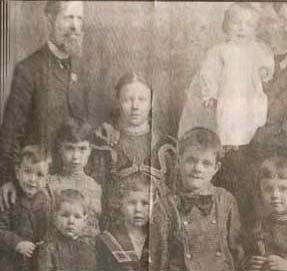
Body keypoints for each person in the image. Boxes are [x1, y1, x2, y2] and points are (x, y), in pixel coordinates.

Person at [218, 2, 287, 232]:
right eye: (283, 21)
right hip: (240, 177)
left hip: (286, 190)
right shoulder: (264, 62)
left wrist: (246, 135)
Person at [0, 1, 87, 210]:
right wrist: (5, 178)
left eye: (79, 18)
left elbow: (83, 125)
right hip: (36, 183)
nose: (75, 26)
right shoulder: (29, 69)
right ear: (50, 21)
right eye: (68, 18)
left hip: (72, 185)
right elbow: (11, 131)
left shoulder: (81, 69)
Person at [178, 3, 274, 149]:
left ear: (255, 29)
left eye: (249, 25)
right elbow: (208, 73)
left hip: (250, 94)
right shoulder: (220, 51)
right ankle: (229, 144)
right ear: (226, 26)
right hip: (229, 94)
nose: (242, 28)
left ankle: (246, 145)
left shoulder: (258, 49)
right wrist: (210, 93)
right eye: (236, 23)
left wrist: (266, 71)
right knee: (229, 120)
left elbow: (267, 62)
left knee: (252, 120)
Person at [149, 128, 244, 271]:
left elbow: (237, 251)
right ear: (178, 162)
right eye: (191, 160)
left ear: (216, 168)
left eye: (206, 163)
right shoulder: (164, 207)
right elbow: (160, 259)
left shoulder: (225, 201)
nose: (198, 168)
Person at [91, 72, 176, 224]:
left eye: (142, 99)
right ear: (117, 101)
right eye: (127, 100)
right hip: (115, 230)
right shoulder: (104, 145)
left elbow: (176, 195)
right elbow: (95, 196)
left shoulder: (167, 147)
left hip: (160, 229)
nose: (135, 106)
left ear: (152, 102)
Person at [0, 145, 52, 271]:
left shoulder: (47, 201)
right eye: (27, 171)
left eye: (39, 174)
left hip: (37, 261)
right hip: (12, 261)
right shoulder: (10, 199)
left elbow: (50, 229)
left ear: (46, 179)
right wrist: (16, 243)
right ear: (17, 172)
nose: (32, 179)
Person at [48, 118, 102, 236]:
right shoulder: (50, 184)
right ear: (60, 148)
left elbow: (94, 228)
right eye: (69, 148)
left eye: (82, 149)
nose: (76, 157)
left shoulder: (94, 187)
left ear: (90, 150)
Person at [96, 172, 152, 271]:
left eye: (145, 203)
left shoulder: (159, 241)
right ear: (121, 204)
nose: (138, 209)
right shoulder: (107, 241)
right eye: (132, 203)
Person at [38, 189, 97, 271]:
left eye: (77, 217)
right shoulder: (49, 248)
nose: (71, 221)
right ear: (55, 218)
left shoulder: (90, 245)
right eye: (65, 215)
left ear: (85, 221)